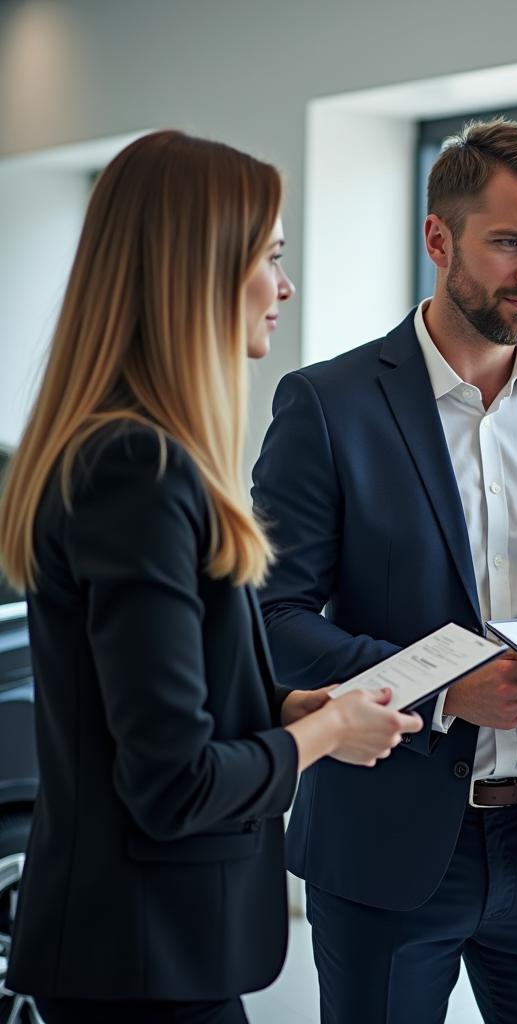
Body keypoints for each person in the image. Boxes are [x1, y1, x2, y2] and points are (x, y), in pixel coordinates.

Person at [251, 117, 517, 1024]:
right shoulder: (326, 405)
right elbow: (274, 620)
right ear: (439, 239)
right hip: (387, 846)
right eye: (512, 242)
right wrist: (446, 691)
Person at [0, 130, 422, 1024]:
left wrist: (279, 711)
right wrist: (328, 733)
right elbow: (173, 783)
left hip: (143, 948)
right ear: (200, 272)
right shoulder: (137, 471)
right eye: (270, 257)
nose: (286, 285)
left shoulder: (134, 454)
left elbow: (147, 707)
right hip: (141, 956)